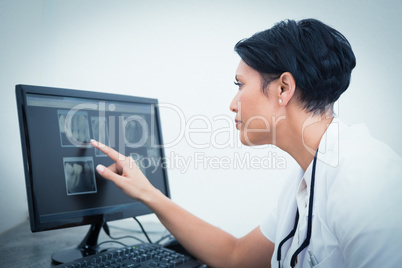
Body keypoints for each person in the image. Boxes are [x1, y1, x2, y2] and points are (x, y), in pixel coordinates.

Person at [91, 18, 402, 268]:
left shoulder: (364, 178)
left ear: (283, 88)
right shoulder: (307, 178)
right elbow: (236, 256)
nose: (232, 103)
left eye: (240, 85)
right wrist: (149, 194)